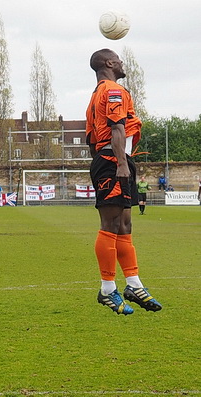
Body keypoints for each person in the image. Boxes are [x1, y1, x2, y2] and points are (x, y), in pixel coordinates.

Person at [85, 48, 162, 315]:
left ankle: (133, 283)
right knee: (111, 224)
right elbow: (117, 128)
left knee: (124, 224)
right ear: (109, 63)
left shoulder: (96, 95)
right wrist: (118, 163)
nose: (122, 62)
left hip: (114, 158)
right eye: (118, 58)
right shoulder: (114, 91)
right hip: (114, 160)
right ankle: (107, 289)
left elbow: (91, 140)